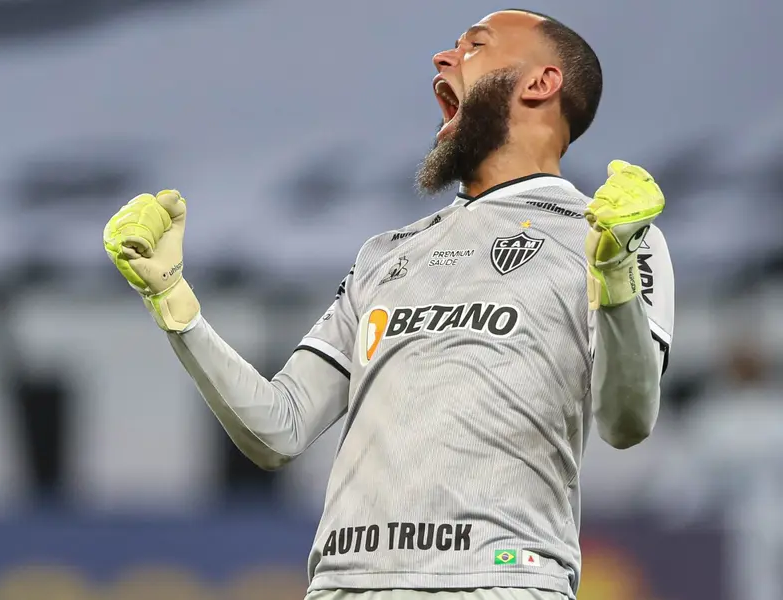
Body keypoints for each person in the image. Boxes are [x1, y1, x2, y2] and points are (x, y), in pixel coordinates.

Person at [101, 8, 674, 600]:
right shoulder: (386, 254)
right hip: (346, 587)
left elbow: (626, 421)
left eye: (476, 45)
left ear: (539, 84)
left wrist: (614, 272)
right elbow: (279, 430)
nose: (443, 57)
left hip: (496, 579)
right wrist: (174, 305)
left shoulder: (607, 236)